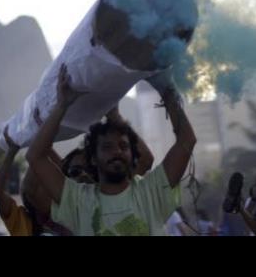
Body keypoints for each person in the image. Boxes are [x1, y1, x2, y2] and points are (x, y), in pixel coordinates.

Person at [27, 64, 196, 235]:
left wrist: (166, 89)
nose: (117, 152)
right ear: (93, 158)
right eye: (107, 147)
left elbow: (187, 141)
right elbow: (35, 157)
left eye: (124, 146)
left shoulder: (151, 191)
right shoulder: (78, 201)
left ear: (132, 155)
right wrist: (61, 106)